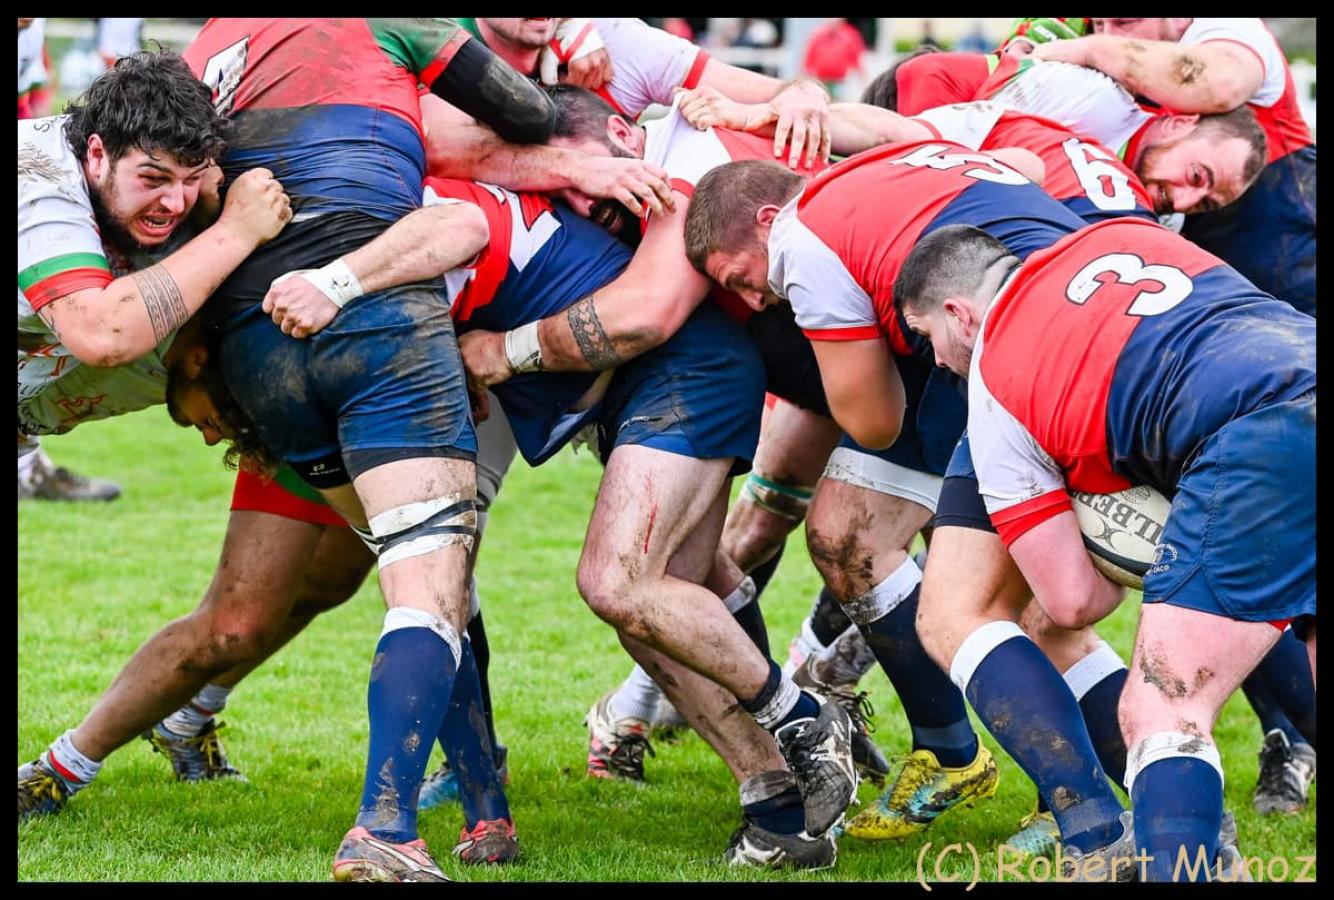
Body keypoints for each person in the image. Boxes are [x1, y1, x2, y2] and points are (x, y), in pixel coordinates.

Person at [680, 149, 1156, 869]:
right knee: (859, 537)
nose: (751, 300)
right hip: (1100, 320)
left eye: (740, 278)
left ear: (770, 220)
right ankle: (1135, 796)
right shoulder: (882, 163)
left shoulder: (808, 241)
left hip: (1026, 353)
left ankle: (1090, 811)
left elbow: (874, 420)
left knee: (965, 606)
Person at [179, 17, 559, 881]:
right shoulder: (398, 22)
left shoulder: (206, 46)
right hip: (374, 313)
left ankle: (485, 811)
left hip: (255, 345)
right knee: (428, 585)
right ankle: (385, 825)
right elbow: (528, 113)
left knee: (427, 578)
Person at [895, 217, 1314, 880]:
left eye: (928, 339)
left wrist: (1119, 538)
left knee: (1163, 710)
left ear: (959, 313)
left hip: (1262, 436)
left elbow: (1071, 603)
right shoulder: (1113, 237)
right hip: (1299, 355)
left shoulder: (998, 385)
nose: (940, 361)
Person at [1034, 17, 1317, 316]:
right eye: (1099, 26)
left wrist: (1090, 49)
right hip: (1205, 297)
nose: (1111, 34)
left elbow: (1218, 83)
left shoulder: (1228, 30)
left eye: (1125, 22)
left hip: (1294, 262)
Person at [801, 18, 866, 99]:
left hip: (840, 81)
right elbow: (809, 57)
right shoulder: (817, 34)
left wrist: (862, 77)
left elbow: (856, 59)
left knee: (838, 104)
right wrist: (805, 77)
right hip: (820, 80)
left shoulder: (850, 35)